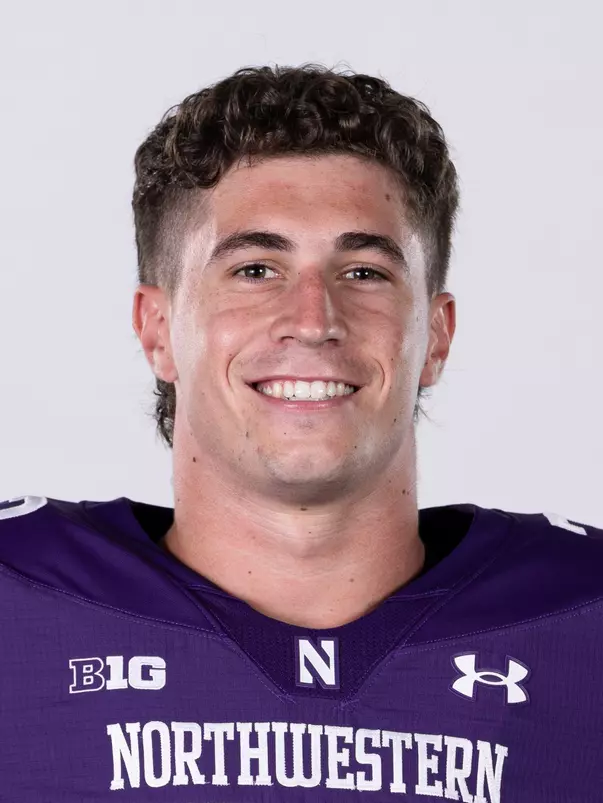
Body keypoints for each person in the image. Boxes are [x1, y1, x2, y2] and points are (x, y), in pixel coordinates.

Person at [0, 64, 601, 803]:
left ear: (435, 337)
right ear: (156, 329)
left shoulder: (579, 617)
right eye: (256, 268)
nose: (314, 319)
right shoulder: (19, 608)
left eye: (363, 272)